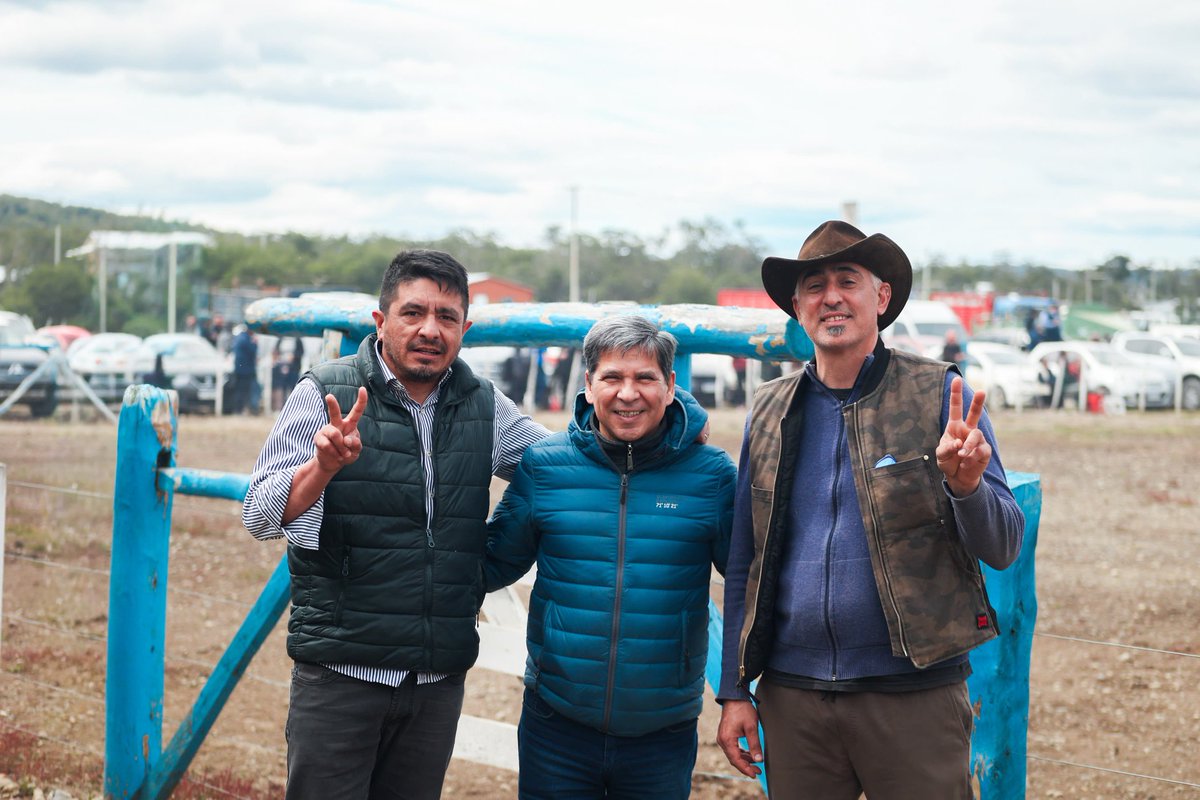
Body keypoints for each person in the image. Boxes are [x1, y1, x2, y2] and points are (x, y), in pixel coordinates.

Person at [716, 220, 1025, 799]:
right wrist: (735, 690)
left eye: (847, 281)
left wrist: (967, 488)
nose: (831, 297)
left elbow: (1004, 545)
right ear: (797, 308)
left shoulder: (939, 394)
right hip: (794, 698)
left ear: (881, 297)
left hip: (914, 695)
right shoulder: (770, 409)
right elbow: (744, 559)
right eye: (814, 286)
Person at [241, 249, 550, 800]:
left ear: (464, 330)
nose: (430, 329)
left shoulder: (484, 404)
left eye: (446, 317)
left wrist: (669, 418)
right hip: (341, 675)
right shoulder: (326, 391)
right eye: (413, 313)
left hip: (436, 680)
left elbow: (557, 465)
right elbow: (259, 515)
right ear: (381, 321)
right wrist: (322, 468)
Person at [485, 315, 736, 800]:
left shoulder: (712, 475)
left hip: (662, 730)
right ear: (588, 382)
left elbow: (750, 582)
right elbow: (491, 563)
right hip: (556, 723)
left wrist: (739, 692)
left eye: (645, 378)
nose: (628, 393)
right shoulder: (545, 466)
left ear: (670, 385)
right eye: (613, 377)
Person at [229, 325, 259, 415]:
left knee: (240, 391)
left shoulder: (239, 338)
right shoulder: (246, 339)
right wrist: (255, 343)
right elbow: (253, 350)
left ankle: (239, 409)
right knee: (244, 391)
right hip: (246, 370)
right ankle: (241, 409)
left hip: (240, 369)